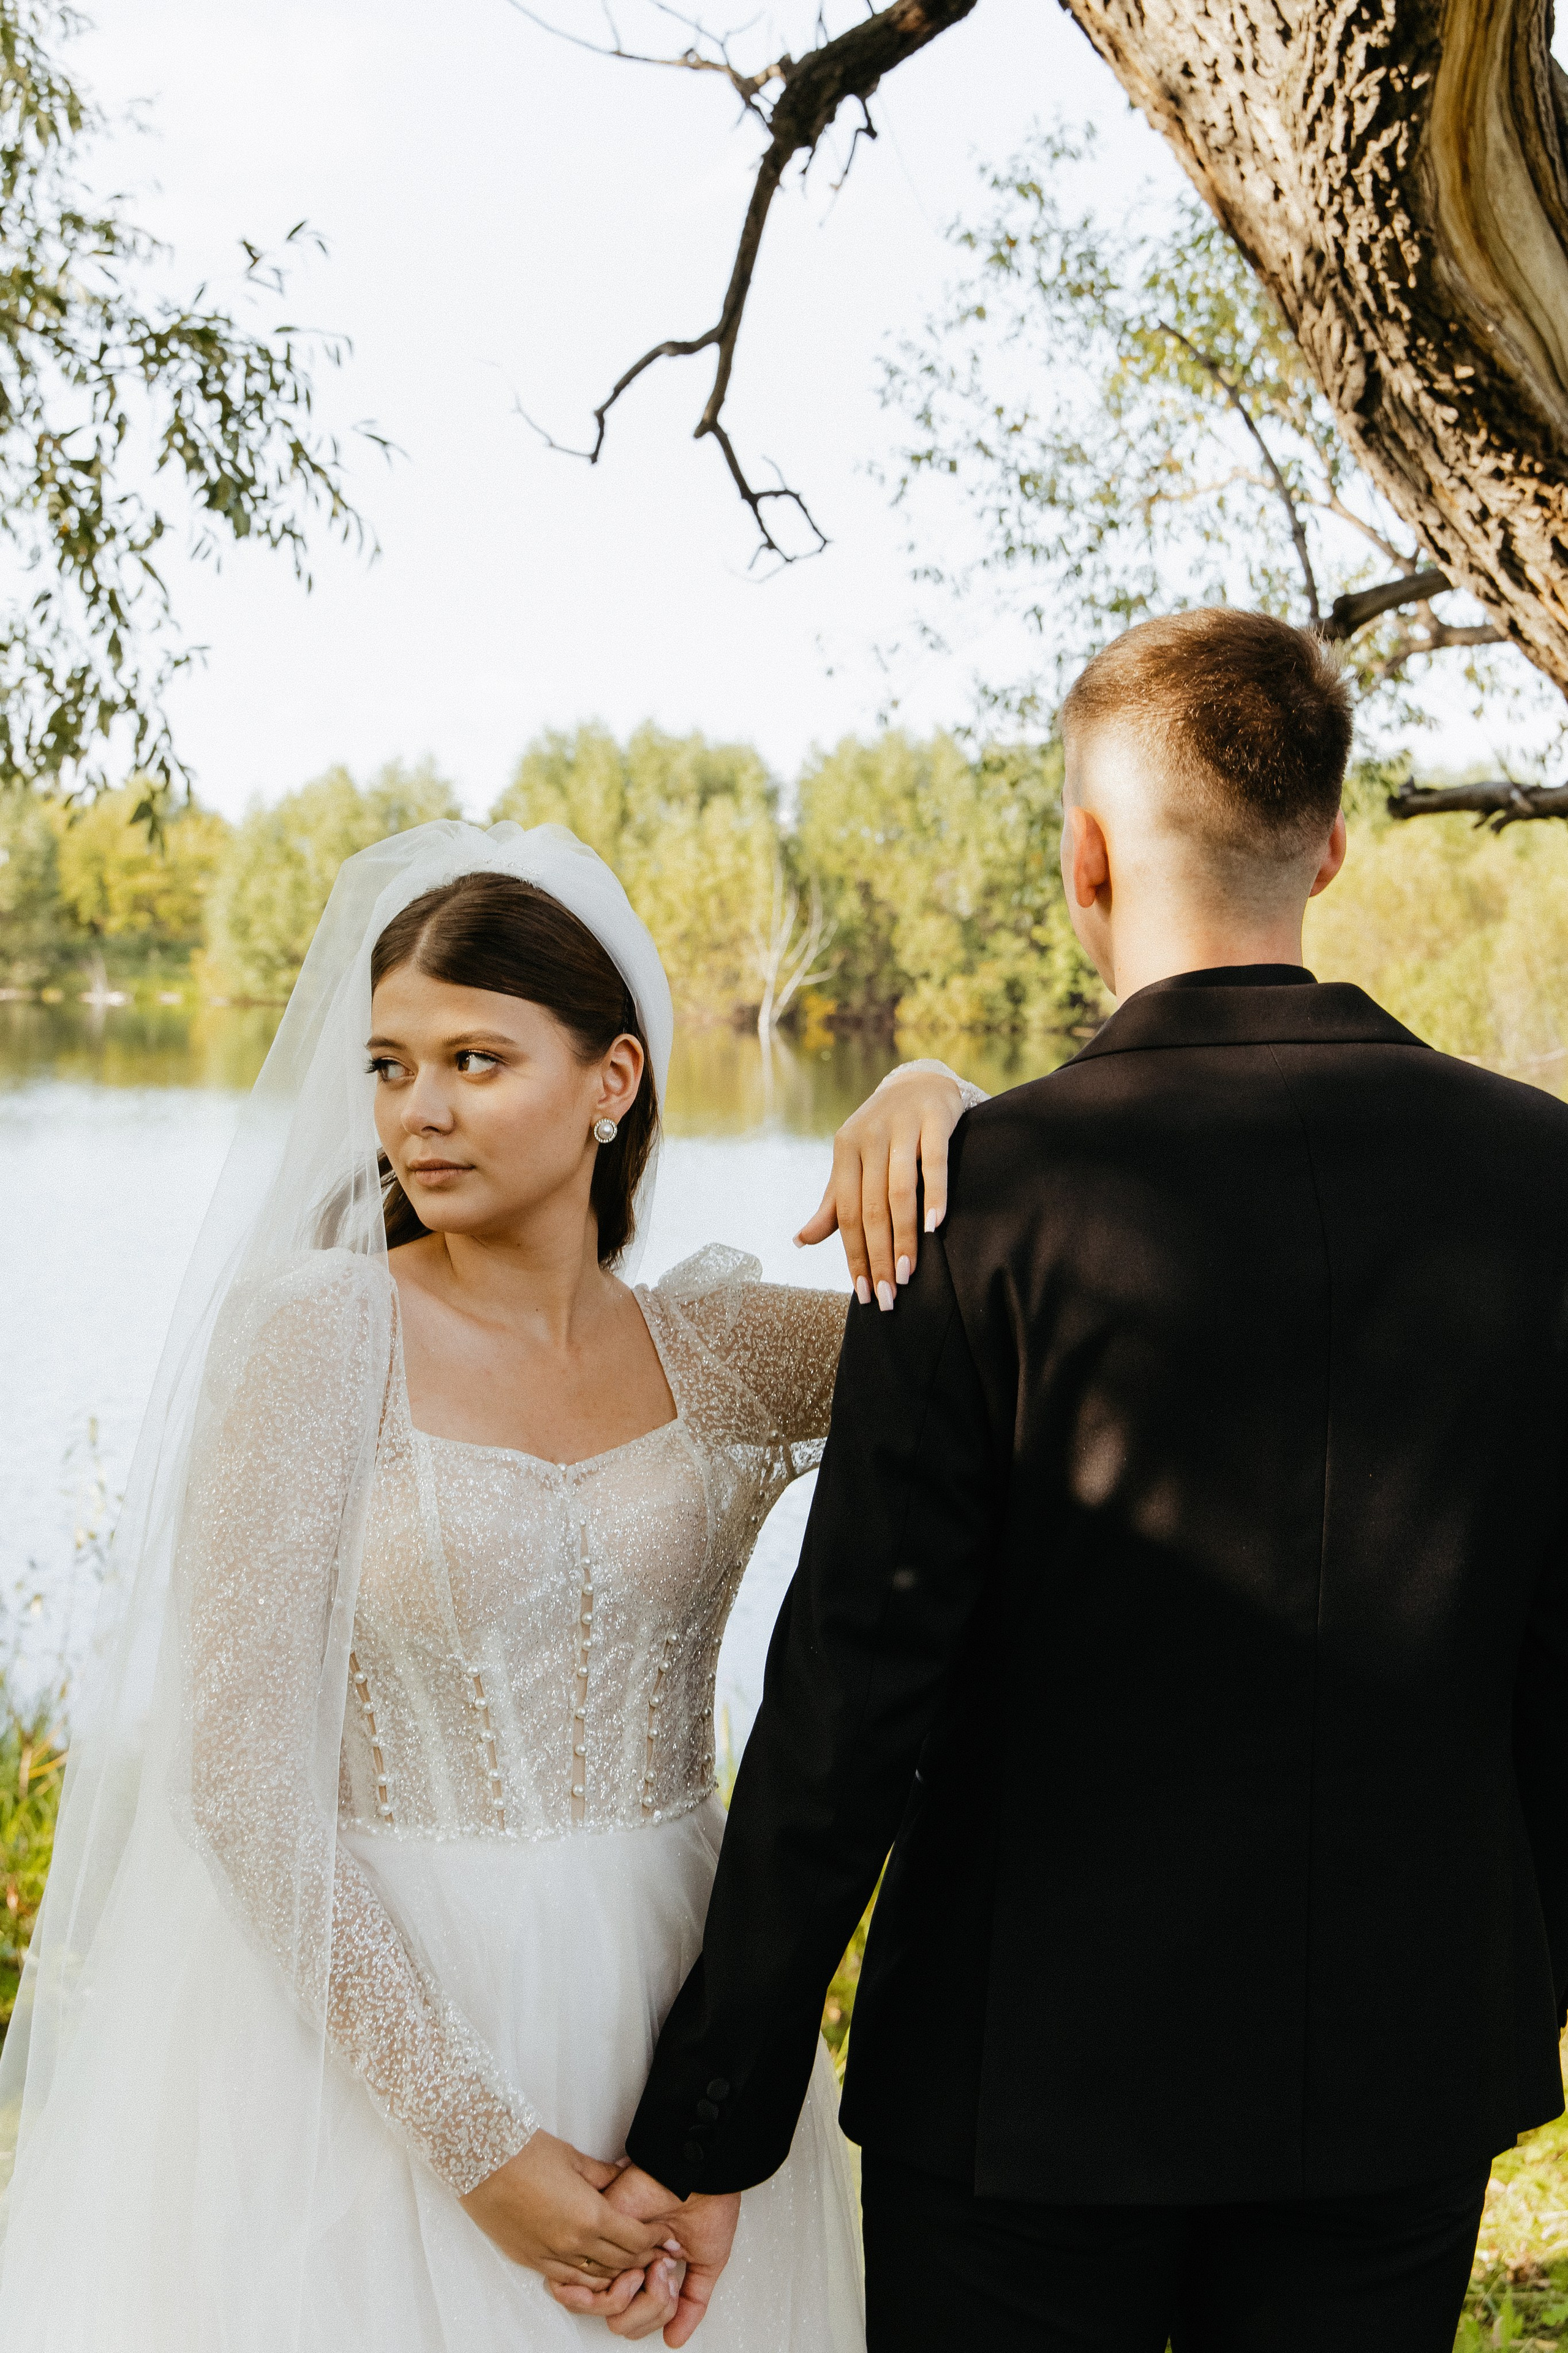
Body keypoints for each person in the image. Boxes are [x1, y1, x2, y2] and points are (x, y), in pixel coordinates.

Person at [625, 608, 1568, 2352]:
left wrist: (711, 2118)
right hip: (1399, 2072)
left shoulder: (981, 1201)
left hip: (1023, 2093)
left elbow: (851, 1698)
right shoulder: (1545, 1182)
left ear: (1085, 853)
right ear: (1333, 844)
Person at [0, 819, 974, 2352]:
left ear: (613, 1080)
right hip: (377, 2026)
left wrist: (946, 1110)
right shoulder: (321, 1335)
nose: (419, 1113)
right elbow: (245, 1783)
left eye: (475, 1059)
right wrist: (485, 2155)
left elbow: (989, 1347)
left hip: (676, 2002)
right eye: (389, 1066)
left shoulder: (714, 1351)